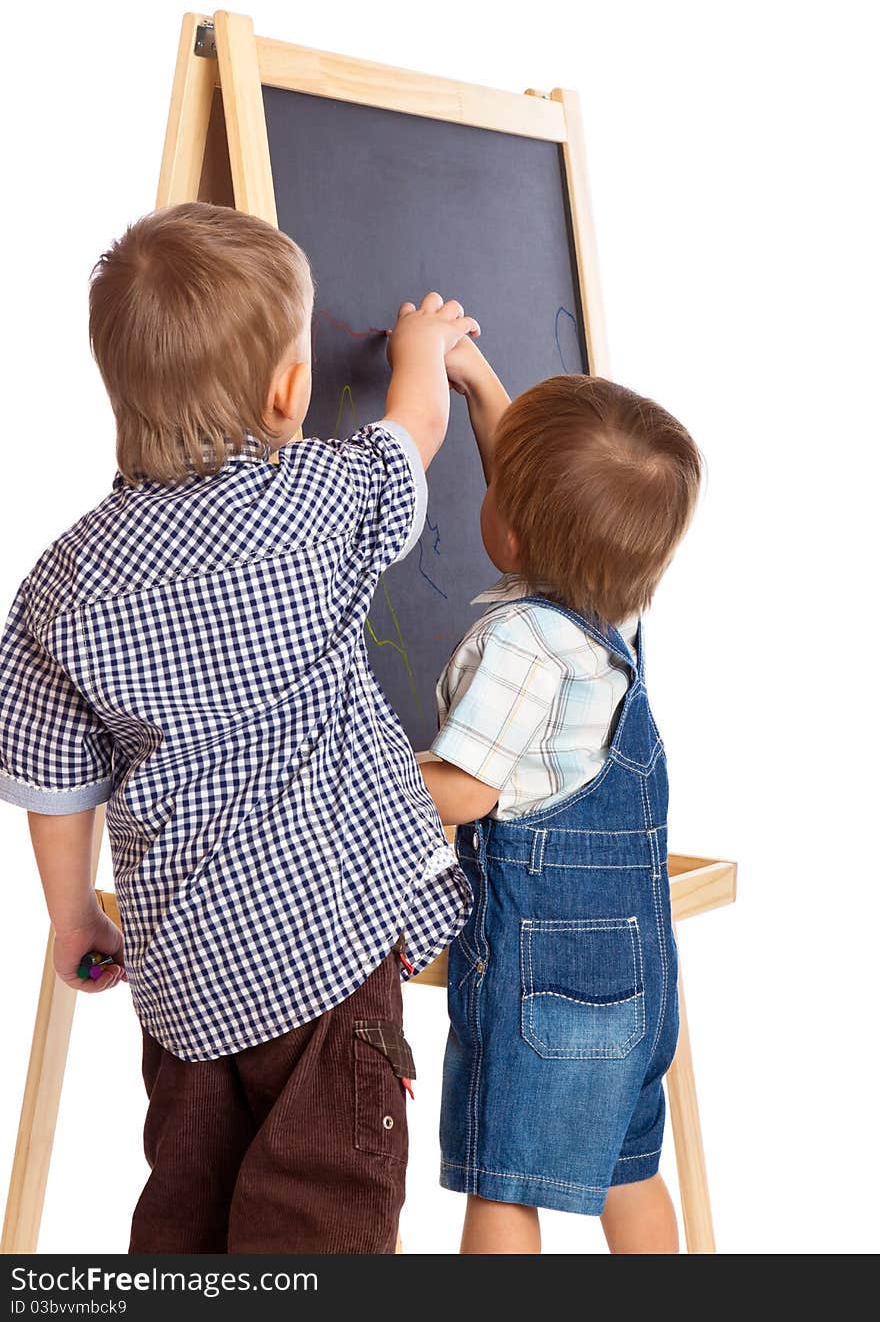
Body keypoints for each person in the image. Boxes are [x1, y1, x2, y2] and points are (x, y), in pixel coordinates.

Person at [0, 201, 479, 1253]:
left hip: (183, 981)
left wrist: (75, 918)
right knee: (319, 1220)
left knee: (186, 1209)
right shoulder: (317, 500)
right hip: (325, 953)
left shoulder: (60, 585)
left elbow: (50, 781)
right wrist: (422, 347)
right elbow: (417, 432)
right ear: (288, 389)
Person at [418, 339, 702, 1254]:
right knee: (630, 1171)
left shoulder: (522, 645)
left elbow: (462, 789)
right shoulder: (613, 608)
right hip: (638, 979)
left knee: (506, 1182)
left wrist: (355, 772)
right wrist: (479, 381)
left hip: (541, 982)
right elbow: (547, 500)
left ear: (511, 528)